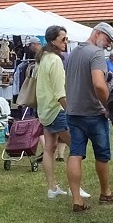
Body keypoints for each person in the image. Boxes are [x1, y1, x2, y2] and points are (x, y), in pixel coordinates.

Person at [65, 22, 113, 212]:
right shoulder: (96, 53)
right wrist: (109, 106)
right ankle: (105, 193)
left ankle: (77, 199)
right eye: (107, 40)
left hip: (73, 111)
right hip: (93, 112)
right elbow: (99, 85)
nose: (108, 46)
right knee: (102, 155)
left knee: (75, 153)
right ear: (98, 34)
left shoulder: (74, 52)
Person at [36, 25, 74, 198]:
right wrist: (70, 111)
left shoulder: (43, 58)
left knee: (49, 149)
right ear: (53, 40)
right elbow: (60, 92)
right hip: (56, 110)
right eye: (63, 39)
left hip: (44, 110)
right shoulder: (55, 60)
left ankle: (52, 188)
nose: (66, 42)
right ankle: (76, 188)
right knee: (75, 148)